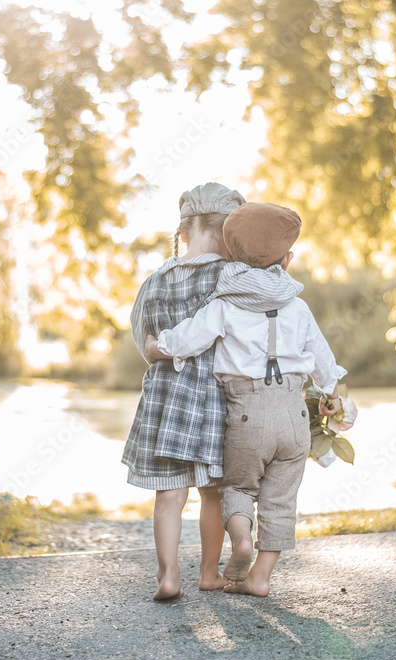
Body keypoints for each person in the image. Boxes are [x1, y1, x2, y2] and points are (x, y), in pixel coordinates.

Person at [145, 202, 347, 597]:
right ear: (287, 260)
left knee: (237, 489)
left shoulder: (225, 304)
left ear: (231, 256)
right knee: (281, 499)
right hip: (291, 415)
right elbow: (323, 359)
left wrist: (157, 346)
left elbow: (188, 337)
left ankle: (241, 538)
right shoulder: (299, 307)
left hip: (246, 415)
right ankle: (260, 575)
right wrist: (332, 396)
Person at [123, 185, 301, 600]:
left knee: (168, 494)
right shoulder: (233, 276)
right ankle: (208, 572)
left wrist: (159, 352)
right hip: (220, 398)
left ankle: (168, 577)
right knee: (213, 494)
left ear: (184, 232)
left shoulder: (152, 282)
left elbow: (145, 343)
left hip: (165, 401)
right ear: (232, 235)